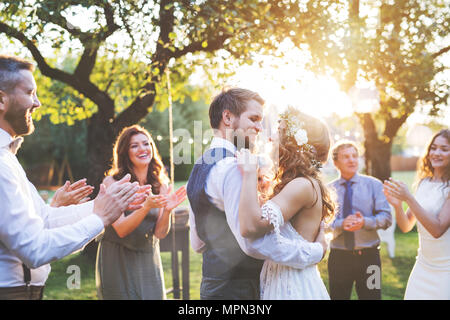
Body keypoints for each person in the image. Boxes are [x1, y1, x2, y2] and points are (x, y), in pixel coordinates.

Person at [0, 55, 143, 300]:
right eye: (30, 93)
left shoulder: (7, 159)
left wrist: (102, 207)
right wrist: (100, 217)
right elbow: (35, 249)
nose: (38, 103)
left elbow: (45, 219)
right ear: (2, 99)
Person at [187, 88, 328, 300]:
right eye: (253, 119)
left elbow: (198, 243)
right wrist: (316, 251)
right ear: (227, 117)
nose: (260, 128)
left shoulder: (199, 166)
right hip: (239, 288)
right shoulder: (235, 167)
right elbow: (252, 243)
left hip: (212, 284)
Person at [236, 107, 335, 299]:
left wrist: (248, 174)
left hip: (293, 287)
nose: (272, 137)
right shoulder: (301, 183)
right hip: (285, 279)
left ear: (293, 144)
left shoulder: (302, 185)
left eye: (279, 131)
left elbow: (249, 228)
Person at [96, 125, 187, 300]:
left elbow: (160, 233)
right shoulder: (113, 182)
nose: (142, 149)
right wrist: (145, 207)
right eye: (134, 145)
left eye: (146, 143)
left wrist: (167, 211)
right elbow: (121, 229)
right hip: (117, 256)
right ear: (125, 152)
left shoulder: (160, 185)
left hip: (147, 255)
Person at [383, 129, 450, 300]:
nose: (436, 153)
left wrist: (409, 198)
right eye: (433, 148)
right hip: (422, 266)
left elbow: (437, 229)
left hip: (446, 270)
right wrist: (398, 205)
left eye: (444, 149)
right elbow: (406, 226)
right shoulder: (423, 183)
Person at [327, 140, 392, 300]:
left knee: (373, 297)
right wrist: (341, 224)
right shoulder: (327, 190)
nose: (352, 160)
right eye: (346, 157)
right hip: (339, 257)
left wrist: (365, 222)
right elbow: (321, 224)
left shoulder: (374, 185)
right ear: (335, 162)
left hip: (370, 257)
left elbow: (386, 218)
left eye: (355, 156)